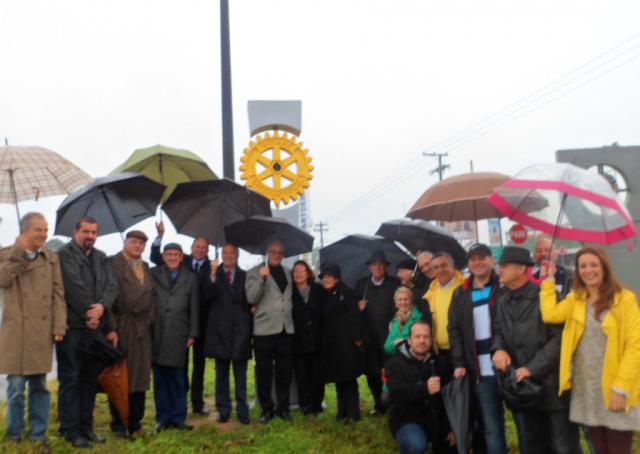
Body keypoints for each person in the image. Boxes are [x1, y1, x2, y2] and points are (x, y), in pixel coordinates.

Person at [540, 247, 640, 454]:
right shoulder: (575, 299)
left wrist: (620, 388)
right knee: (599, 449)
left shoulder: (624, 299)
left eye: (594, 265)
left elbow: (635, 346)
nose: (588, 270)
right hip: (587, 389)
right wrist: (548, 281)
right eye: (583, 266)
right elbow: (550, 315)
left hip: (614, 388)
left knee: (618, 450)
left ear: (604, 268)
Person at [492, 246, 581, 454]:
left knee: (563, 447)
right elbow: (498, 331)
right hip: (524, 390)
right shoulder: (503, 300)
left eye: (505, 265)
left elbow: (559, 339)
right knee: (533, 446)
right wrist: (498, 349)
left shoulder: (545, 296)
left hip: (552, 386)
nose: (500, 269)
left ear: (522, 269)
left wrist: (532, 368)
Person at [0, 213, 66, 448]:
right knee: (16, 387)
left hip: (41, 330)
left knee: (40, 386)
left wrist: (59, 325)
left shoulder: (51, 259)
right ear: (25, 231)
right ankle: (15, 433)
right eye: (38, 229)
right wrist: (19, 254)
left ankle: (39, 433)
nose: (44, 234)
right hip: (16, 331)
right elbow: (2, 280)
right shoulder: (7, 254)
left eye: (46, 230)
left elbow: (58, 294)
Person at [56, 217, 119, 448]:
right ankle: (70, 430)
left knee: (89, 380)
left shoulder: (102, 257)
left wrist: (102, 307)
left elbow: (112, 285)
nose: (89, 236)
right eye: (85, 231)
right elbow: (73, 287)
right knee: (70, 379)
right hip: (73, 328)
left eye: (93, 232)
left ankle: (87, 427)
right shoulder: (64, 254)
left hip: (96, 329)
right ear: (76, 231)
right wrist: (90, 313)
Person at [448, 243, 507, 454]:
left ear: (492, 260)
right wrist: (459, 362)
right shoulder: (460, 293)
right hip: (481, 372)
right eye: (473, 259)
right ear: (468, 264)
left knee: (524, 425)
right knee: (492, 429)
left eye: (482, 257)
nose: (477, 262)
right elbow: (453, 329)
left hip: (508, 367)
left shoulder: (503, 286)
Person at [150, 221, 212, 416]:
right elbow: (156, 257)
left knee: (199, 367)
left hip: (201, 322)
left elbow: (210, 295)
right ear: (191, 249)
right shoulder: (180, 261)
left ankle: (197, 402)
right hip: (176, 325)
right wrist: (159, 236)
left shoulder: (212, 266)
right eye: (197, 247)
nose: (200, 250)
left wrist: (214, 276)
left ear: (207, 250)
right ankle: (179, 403)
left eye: (204, 248)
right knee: (180, 367)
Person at [108, 230, 155, 437]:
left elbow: (152, 297)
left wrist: (149, 319)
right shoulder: (112, 264)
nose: (137, 246)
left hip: (142, 329)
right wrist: (111, 328)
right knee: (120, 376)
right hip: (122, 327)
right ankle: (119, 422)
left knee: (140, 376)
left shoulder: (145, 267)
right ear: (126, 242)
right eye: (134, 242)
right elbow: (107, 299)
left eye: (141, 243)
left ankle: (136, 421)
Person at [385, 320, 455, 454]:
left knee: (453, 444)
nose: (422, 341)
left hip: (436, 418)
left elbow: (448, 398)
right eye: (417, 336)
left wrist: (452, 427)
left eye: (426, 337)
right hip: (406, 418)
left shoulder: (440, 363)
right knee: (416, 445)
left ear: (431, 339)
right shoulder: (394, 364)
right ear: (409, 340)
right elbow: (395, 393)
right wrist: (424, 389)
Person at [245, 240, 295, 423]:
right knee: (264, 372)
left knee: (285, 372)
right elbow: (251, 298)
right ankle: (266, 408)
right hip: (264, 331)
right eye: (273, 251)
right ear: (267, 252)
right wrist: (262, 278)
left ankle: (283, 408)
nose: (276, 255)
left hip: (286, 330)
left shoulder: (289, 273)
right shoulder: (254, 272)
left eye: (280, 252)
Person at [204, 243, 252, 425]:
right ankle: (223, 410)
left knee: (241, 376)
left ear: (238, 255)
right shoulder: (215, 274)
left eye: (232, 253)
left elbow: (249, 302)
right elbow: (207, 295)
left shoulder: (244, 276)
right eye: (225, 253)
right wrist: (213, 274)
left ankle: (242, 411)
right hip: (220, 333)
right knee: (221, 375)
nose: (229, 256)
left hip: (240, 332)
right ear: (221, 255)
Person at [354, 250, 400, 415]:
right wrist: (358, 308)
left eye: (381, 265)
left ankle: (393, 404)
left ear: (386, 267)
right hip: (369, 338)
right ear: (370, 267)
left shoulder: (395, 284)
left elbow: (400, 307)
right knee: (372, 372)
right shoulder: (362, 285)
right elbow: (353, 312)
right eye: (375, 265)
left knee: (391, 371)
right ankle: (379, 405)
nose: (378, 267)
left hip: (389, 336)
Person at [319, 263, 364, 423]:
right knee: (338, 378)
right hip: (331, 344)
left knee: (349, 378)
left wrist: (357, 337)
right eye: (324, 277)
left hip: (347, 342)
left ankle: (353, 413)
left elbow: (355, 316)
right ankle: (341, 411)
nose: (326, 279)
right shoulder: (324, 296)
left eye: (330, 276)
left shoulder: (347, 293)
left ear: (337, 278)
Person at [291, 260, 325, 416]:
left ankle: (317, 405)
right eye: (295, 271)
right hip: (298, 342)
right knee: (302, 375)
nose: (298, 274)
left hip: (317, 340)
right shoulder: (289, 292)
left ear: (308, 273)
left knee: (317, 375)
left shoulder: (317, 289)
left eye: (301, 271)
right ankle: (306, 407)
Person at [424, 252, 464, 363]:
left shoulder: (464, 287)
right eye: (436, 267)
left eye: (444, 265)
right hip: (440, 352)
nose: (440, 270)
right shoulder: (433, 289)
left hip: (461, 350)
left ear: (452, 266)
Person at [384, 286, 423, 356]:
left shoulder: (418, 319)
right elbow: (386, 347)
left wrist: (397, 343)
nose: (403, 302)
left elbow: (418, 346)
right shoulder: (394, 322)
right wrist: (395, 343)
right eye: (400, 300)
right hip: (397, 361)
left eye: (406, 299)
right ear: (396, 304)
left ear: (411, 301)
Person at [396, 259, 432, 325]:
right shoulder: (400, 289)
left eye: (402, 272)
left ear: (413, 273)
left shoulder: (427, 288)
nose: (398, 275)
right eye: (398, 272)